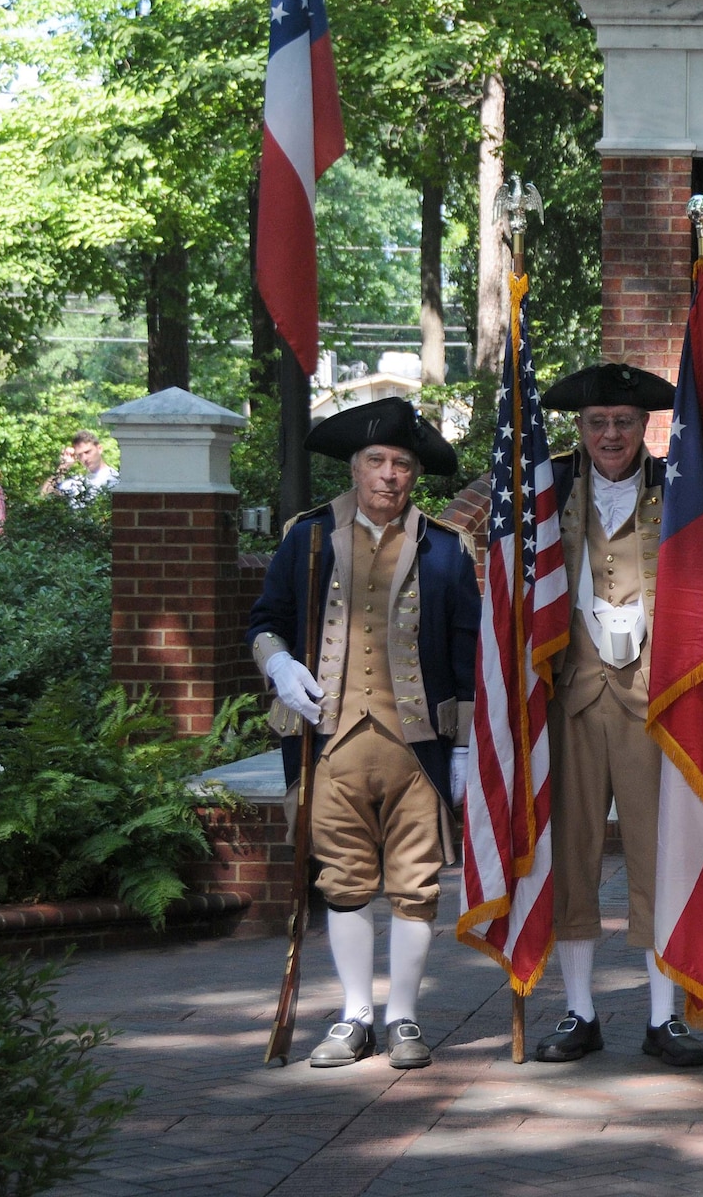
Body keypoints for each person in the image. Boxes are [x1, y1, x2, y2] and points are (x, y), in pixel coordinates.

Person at [246, 398, 480, 1070]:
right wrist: (280, 663)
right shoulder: (308, 537)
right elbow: (266, 620)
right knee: (343, 881)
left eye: (402, 464)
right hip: (329, 742)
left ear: (414, 475)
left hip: (418, 748)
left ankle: (403, 1016)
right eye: (376, 461)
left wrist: (462, 746)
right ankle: (354, 1016)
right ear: (354, 467)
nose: (389, 475)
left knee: (416, 884)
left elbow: (467, 654)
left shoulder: (444, 548)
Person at [528, 362, 703, 1069]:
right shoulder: (548, 492)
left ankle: (664, 1017)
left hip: (653, 703)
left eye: (625, 423)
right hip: (571, 698)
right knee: (570, 859)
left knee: (657, 856)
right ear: (581, 428)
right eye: (599, 423)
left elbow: (702, 604)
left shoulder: (679, 491)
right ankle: (580, 1012)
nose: (611, 435)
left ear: (646, 428)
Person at [43, 430, 120, 507]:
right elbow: (45, 495)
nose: (85, 458)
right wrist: (63, 467)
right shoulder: (76, 483)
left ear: (99, 449)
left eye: (87, 452)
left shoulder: (115, 480)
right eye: (79, 455)